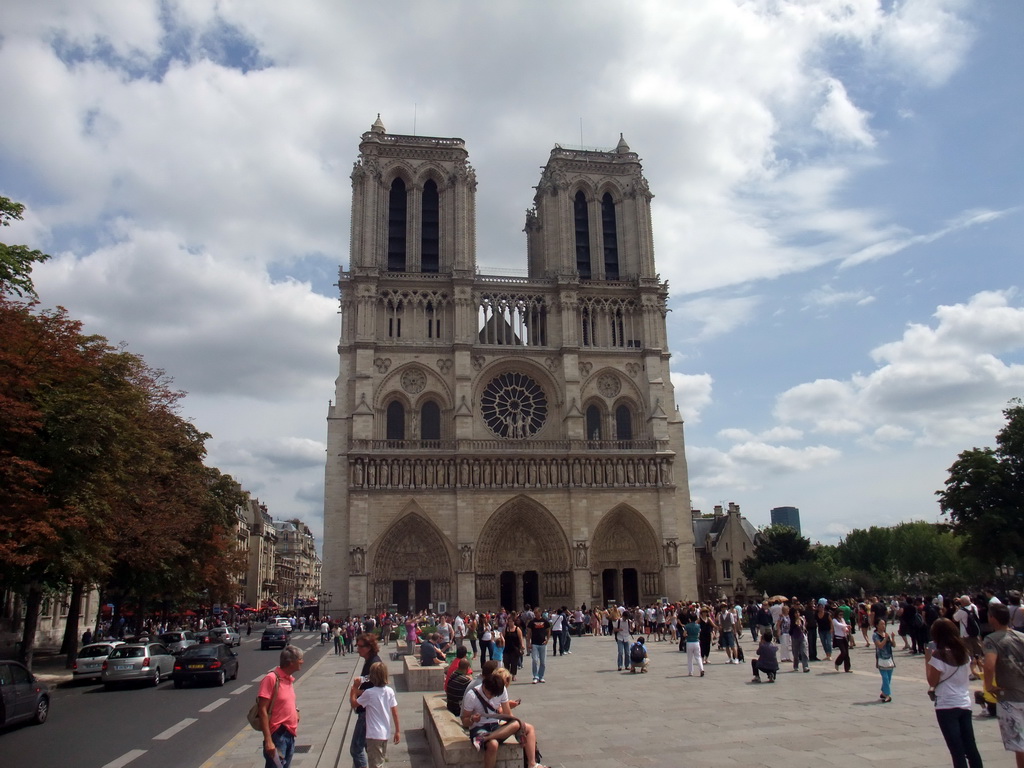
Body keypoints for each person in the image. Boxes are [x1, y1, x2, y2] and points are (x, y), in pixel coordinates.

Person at [926, 618, 984, 768]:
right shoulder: (964, 652)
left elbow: (932, 682)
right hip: (964, 702)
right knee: (970, 747)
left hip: (946, 704)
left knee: (956, 750)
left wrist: (928, 660)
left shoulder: (939, 655)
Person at [461, 668, 545, 768]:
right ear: (484, 686)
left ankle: (532, 764)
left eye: (495, 695)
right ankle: (486, 738)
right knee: (493, 745)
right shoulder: (472, 696)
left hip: (495, 726)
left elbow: (507, 714)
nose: (492, 697)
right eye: (490, 694)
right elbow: (464, 721)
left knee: (524, 726)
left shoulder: (501, 690)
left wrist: (519, 730)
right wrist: (472, 719)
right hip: (479, 727)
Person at [983, 602, 1024, 767]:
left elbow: (989, 664)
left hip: (1009, 695)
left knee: (1018, 742)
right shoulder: (1021, 636)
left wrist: (989, 686)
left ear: (992, 618)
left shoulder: (991, 639)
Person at [258, 645, 304, 768]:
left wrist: (296, 709)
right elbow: (262, 709)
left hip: (290, 733)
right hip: (278, 734)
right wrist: (268, 740)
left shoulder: (288, 679)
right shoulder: (271, 679)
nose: (302, 661)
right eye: (300, 659)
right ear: (291, 662)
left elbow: (287, 699)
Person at [350, 661, 399, 768]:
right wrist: (397, 731)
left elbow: (354, 704)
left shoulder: (369, 693)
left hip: (373, 735)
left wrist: (354, 688)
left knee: (375, 765)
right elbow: (395, 712)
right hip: (385, 734)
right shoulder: (389, 691)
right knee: (379, 761)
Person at [350, 633, 383, 768]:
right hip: (367, 711)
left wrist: (356, 691)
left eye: (360, 646)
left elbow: (376, 690)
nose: (358, 649)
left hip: (367, 713)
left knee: (356, 750)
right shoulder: (370, 661)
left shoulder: (374, 664)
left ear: (369, 647)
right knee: (366, 746)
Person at [873, 618, 895, 702]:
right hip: (881, 658)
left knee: (888, 678)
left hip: (889, 658)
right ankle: (887, 695)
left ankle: (884, 692)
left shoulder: (886, 634)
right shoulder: (875, 635)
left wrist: (892, 638)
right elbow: (880, 646)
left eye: (884, 624)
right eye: (881, 624)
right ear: (877, 625)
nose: (883, 626)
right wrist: (885, 639)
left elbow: (893, 645)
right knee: (885, 678)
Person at [526, 610, 551, 684]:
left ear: (540, 613)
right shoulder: (532, 622)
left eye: (537, 612)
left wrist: (547, 640)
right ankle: (535, 676)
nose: (536, 614)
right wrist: (529, 643)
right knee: (535, 661)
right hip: (534, 644)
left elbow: (548, 631)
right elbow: (529, 633)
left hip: (543, 644)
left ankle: (541, 676)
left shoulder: (545, 621)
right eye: (535, 613)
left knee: (543, 662)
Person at [832, 607, 852, 673]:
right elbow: (838, 625)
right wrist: (846, 625)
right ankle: (837, 663)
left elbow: (844, 626)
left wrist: (847, 629)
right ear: (837, 614)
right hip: (838, 638)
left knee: (847, 653)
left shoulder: (842, 619)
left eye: (842, 615)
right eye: (840, 614)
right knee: (843, 652)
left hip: (844, 637)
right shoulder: (834, 620)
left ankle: (847, 668)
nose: (841, 616)